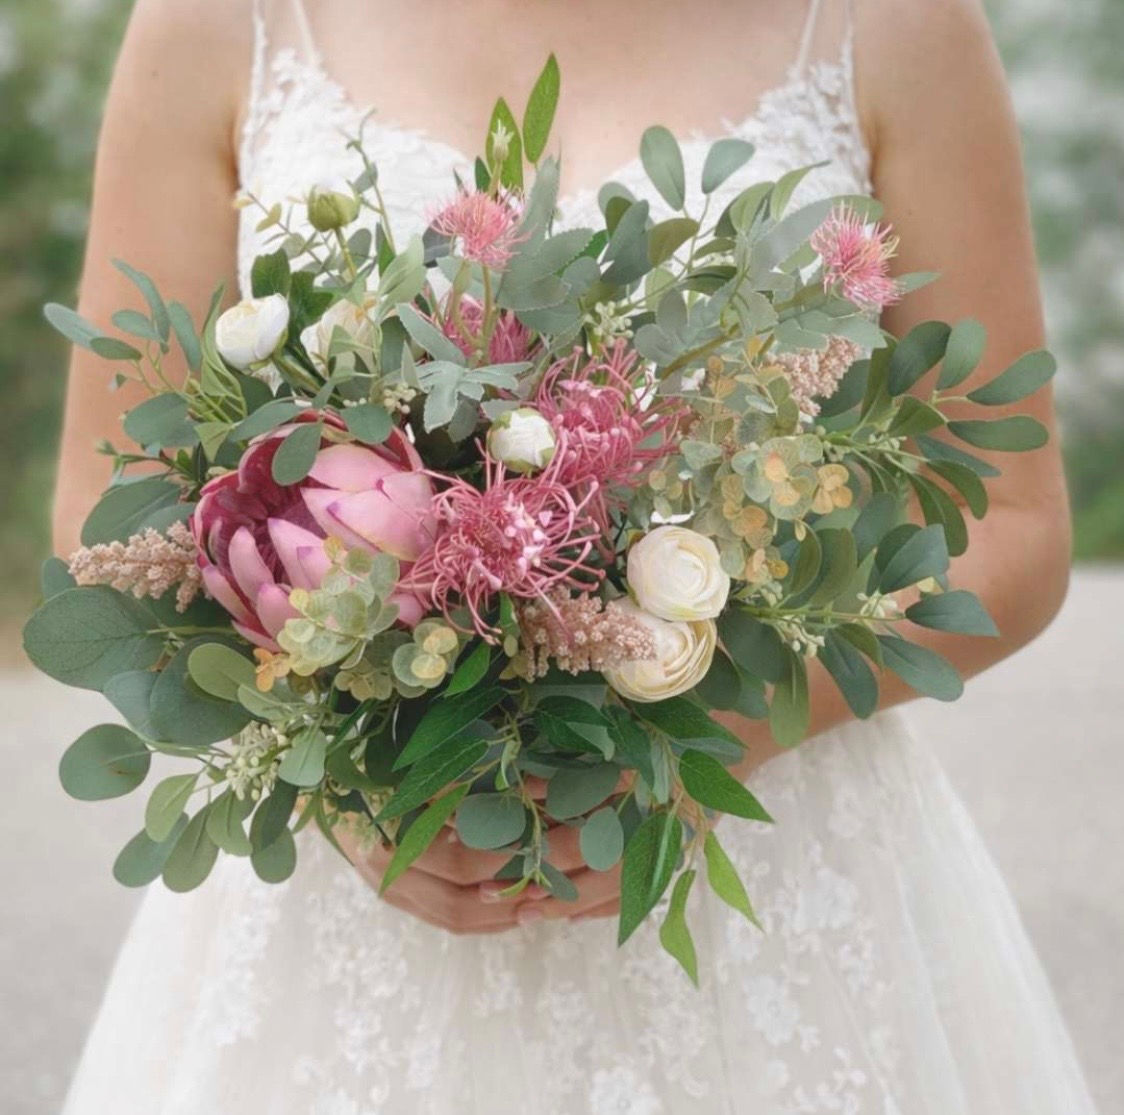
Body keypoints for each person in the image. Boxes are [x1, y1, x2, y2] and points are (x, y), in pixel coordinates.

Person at [54, 0, 1100, 1111]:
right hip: (351, 917)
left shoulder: (894, 23)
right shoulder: (217, 23)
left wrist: (730, 726)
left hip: (771, 862)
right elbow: (107, 524)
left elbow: (1014, 528)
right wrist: (345, 786)